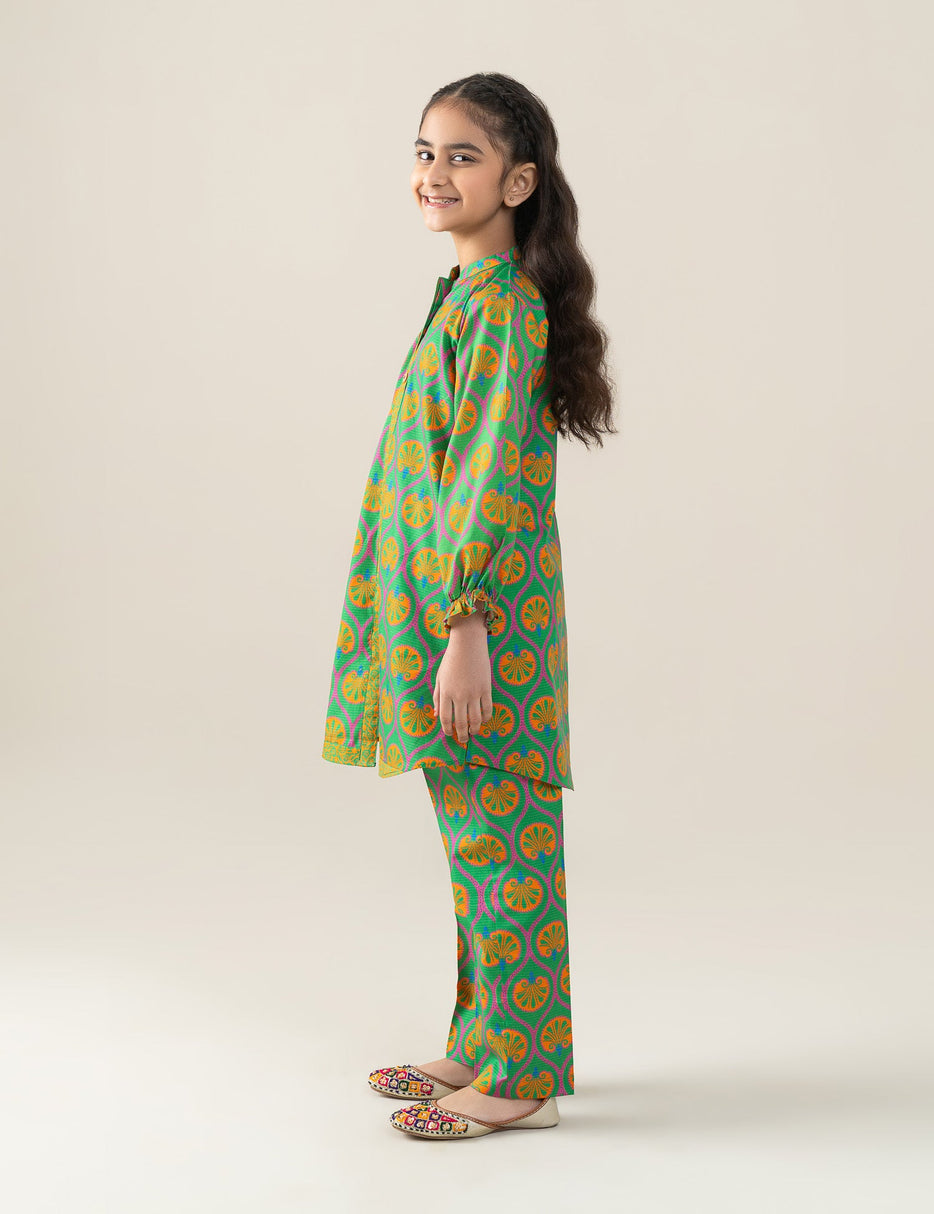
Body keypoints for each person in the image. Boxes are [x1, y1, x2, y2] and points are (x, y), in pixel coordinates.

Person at [321, 71, 616, 1140]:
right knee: (475, 840)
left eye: (462, 155)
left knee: (506, 842)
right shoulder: (465, 297)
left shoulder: (501, 310)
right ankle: (487, 1039)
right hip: (449, 622)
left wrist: (466, 626)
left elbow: (489, 477)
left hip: (478, 630)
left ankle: (522, 1076)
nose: (433, 173)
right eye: (424, 152)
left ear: (517, 182)